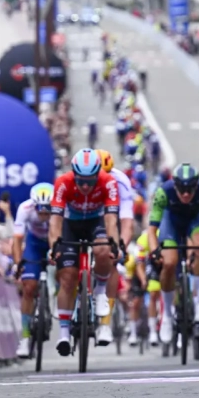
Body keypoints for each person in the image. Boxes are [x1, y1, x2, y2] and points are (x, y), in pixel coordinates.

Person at [49, 148, 121, 355]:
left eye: (90, 181)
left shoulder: (108, 182)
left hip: (95, 222)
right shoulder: (63, 182)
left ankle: (99, 292)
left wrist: (114, 243)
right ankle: (63, 334)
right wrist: (54, 245)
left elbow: (111, 219)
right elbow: (55, 220)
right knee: (68, 277)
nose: (85, 186)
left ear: (98, 174)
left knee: (103, 249)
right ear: (74, 174)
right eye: (81, 181)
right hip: (71, 224)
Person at [146, 163, 199, 345]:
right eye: (182, 189)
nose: (186, 194)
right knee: (169, 262)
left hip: (195, 220)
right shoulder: (163, 192)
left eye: (190, 189)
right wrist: (154, 251)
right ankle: (166, 313)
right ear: (174, 186)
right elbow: (152, 230)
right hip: (171, 223)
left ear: (196, 186)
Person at [95, 148, 135, 342]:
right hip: (86, 216)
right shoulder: (78, 180)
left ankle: (105, 322)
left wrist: (122, 246)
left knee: (110, 258)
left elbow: (126, 221)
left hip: (111, 219)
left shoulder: (120, 182)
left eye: (107, 175)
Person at [13, 183, 54, 358]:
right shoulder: (25, 208)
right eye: (41, 211)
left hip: (55, 240)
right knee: (29, 288)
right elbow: (17, 239)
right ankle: (25, 337)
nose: (44, 216)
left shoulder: (61, 208)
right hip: (34, 244)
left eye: (47, 212)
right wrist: (18, 263)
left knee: (67, 271)